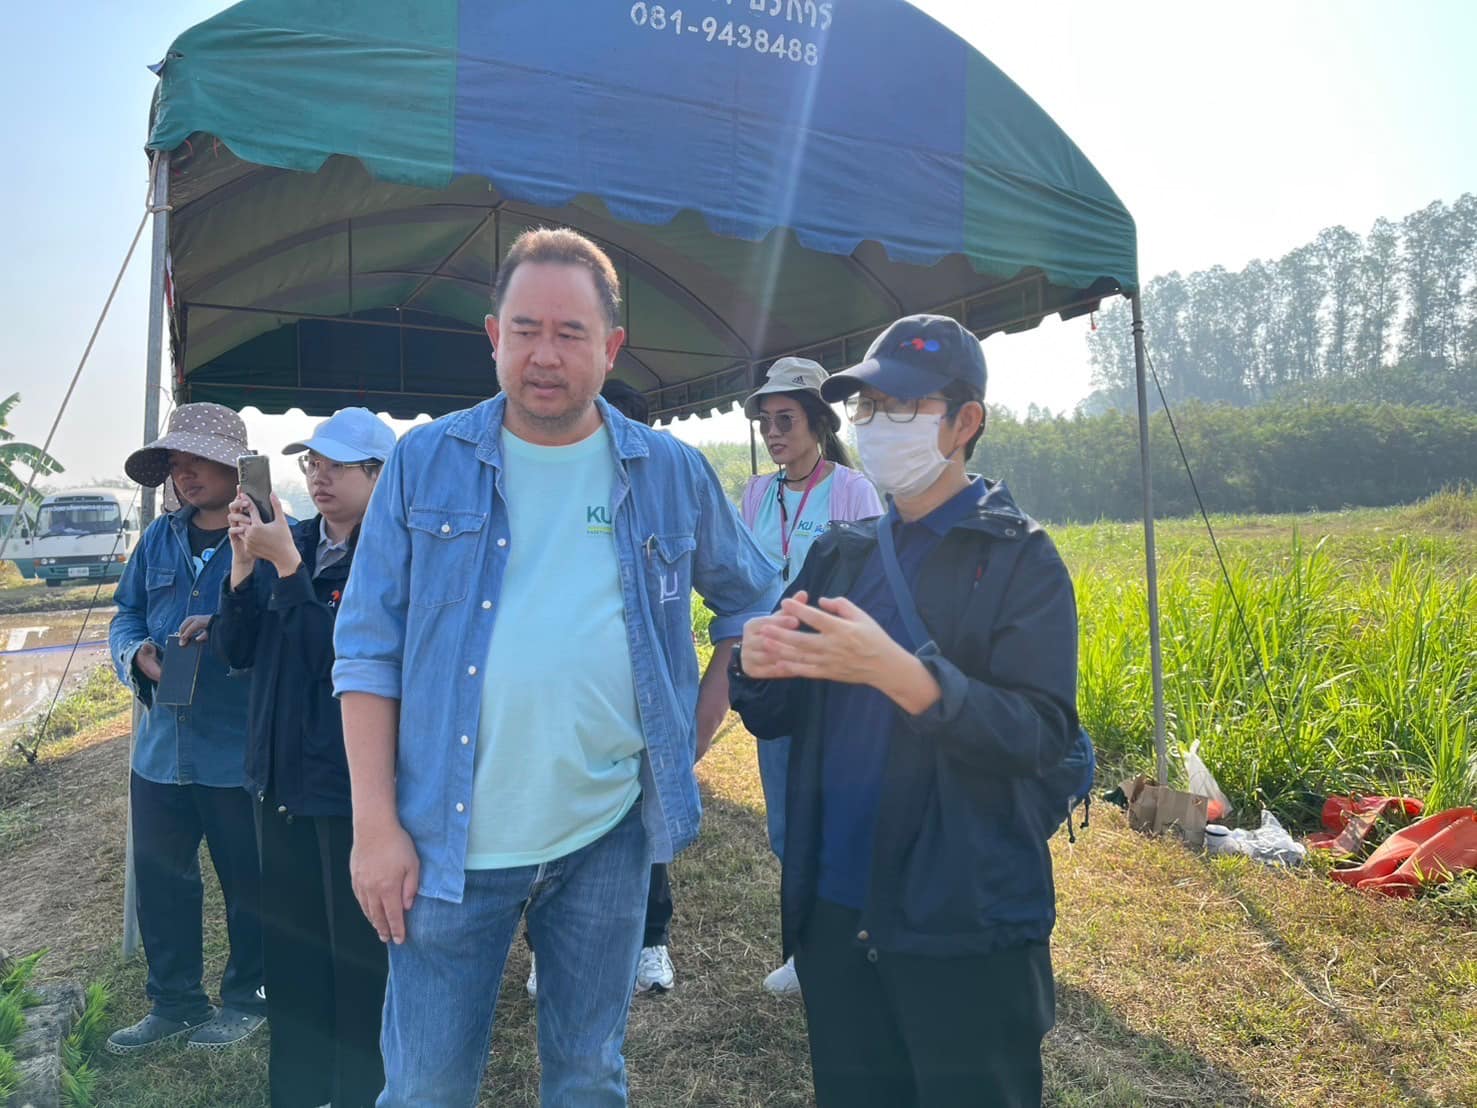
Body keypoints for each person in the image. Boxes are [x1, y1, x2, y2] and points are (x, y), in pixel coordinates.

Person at [333, 226, 781, 1106]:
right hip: (444, 841)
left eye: (571, 333)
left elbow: (751, 598)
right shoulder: (426, 462)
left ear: (610, 348)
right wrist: (374, 826)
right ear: (493, 336)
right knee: (425, 1086)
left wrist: (692, 728)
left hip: (605, 833)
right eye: (526, 329)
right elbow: (366, 648)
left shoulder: (668, 471)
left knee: (587, 1074)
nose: (546, 355)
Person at [729, 314, 1079, 1108]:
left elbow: (1040, 735)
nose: (878, 425)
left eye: (904, 407)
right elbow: (777, 714)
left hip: (960, 915)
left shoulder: (1017, 557)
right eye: (868, 407)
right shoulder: (841, 552)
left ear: (964, 422)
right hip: (836, 904)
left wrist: (907, 679)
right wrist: (758, 664)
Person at [198, 408, 396, 1108]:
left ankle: (363, 1091)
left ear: (380, 474)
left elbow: (338, 665)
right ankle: (302, 1090)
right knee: (293, 955)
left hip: (350, 789)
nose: (319, 477)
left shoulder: (392, 554)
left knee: (357, 956)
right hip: (278, 779)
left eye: (337, 466)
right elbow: (235, 651)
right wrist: (243, 564)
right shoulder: (297, 539)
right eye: (312, 463)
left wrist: (286, 568)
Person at [106, 403, 267, 1054]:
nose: (185, 474)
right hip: (160, 750)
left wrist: (230, 631)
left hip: (239, 746)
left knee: (250, 882)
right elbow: (126, 613)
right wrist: (134, 653)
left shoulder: (271, 536)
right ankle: (175, 1003)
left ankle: (249, 997)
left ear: (236, 467)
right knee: (162, 879)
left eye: (199, 460)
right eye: (176, 462)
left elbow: (289, 625)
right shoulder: (157, 539)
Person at [521, 378, 688, 999]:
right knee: (547, 835)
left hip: (639, 708)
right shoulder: (550, 491)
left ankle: (651, 941)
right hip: (558, 710)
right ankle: (543, 949)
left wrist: (693, 724)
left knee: (646, 826)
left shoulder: (662, 497)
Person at [738, 357, 882, 996]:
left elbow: (872, 586)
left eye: (785, 421)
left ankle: (856, 940)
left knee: (839, 811)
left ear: (819, 424)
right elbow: (743, 578)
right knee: (785, 821)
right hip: (777, 676)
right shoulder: (755, 494)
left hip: (833, 679)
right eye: (766, 422)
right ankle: (806, 949)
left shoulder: (852, 491)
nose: (773, 434)